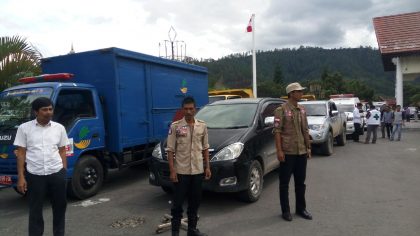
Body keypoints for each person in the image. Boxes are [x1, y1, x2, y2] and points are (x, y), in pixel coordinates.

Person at [14, 97, 69, 236]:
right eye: (45, 110)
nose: (49, 112)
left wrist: (63, 171)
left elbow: (63, 150)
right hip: (35, 175)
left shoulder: (59, 128)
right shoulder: (24, 128)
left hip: (56, 172)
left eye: (50, 109)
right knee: (35, 211)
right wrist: (21, 176)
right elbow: (21, 153)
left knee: (60, 208)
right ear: (36, 112)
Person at [167, 96, 211, 236]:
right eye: (186, 109)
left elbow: (205, 148)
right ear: (182, 109)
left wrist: (207, 167)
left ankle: (192, 230)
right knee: (177, 204)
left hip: (197, 171)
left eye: (191, 109)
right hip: (181, 172)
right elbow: (170, 150)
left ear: (195, 109)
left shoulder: (202, 126)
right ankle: (175, 232)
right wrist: (172, 171)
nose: (188, 111)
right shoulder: (175, 127)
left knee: (195, 202)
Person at [273, 82, 312, 222]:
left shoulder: (302, 109)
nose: (301, 93)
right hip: (287, 152)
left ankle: (301, 209)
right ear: (291, 93)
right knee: (284, 184)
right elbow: (277, 131)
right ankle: (286, 211)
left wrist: (308, 147)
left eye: (301, 91)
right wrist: (279, 150)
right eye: (299, 91)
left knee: (300, 183)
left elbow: (305, 130)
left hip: (301, 151)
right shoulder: (281, 110)